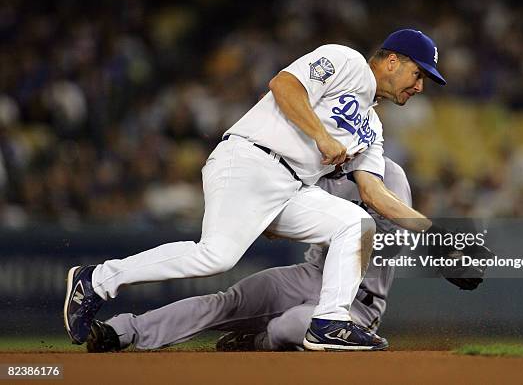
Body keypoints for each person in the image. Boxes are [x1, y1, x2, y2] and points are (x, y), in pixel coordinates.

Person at [64, 29, 448, 351]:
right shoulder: (346, 61)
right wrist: (320, 137)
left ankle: (329, 323)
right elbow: (283, 85)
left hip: (291, 186)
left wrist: (441, 238)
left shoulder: (373, 128)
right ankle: (98, 279)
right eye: (418, 74)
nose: (419, 86)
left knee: (357, 222)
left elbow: (375, 192)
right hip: (251, 159)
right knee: (215, 258)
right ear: (393, 61)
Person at [86, 157, 483, 352]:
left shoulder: (387, 175)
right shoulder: (305, 172)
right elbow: (270, 223)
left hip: (356, 302)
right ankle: (124, 330)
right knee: (225, 302)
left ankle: (258, 341)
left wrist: (446, 254)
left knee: (288, 327)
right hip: (309, 276)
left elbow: (397, 236)